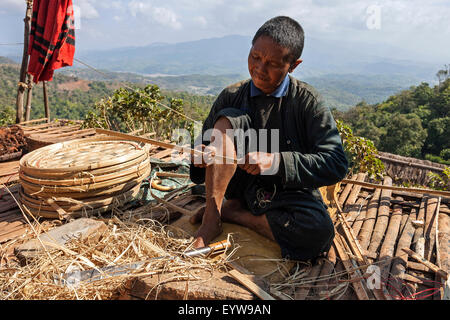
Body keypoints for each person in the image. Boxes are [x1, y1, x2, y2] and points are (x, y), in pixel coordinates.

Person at [189, 16, 348, 262]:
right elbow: (202, 147)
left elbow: (336, 163)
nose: (260, 69)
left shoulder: (307, 102)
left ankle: (235, 214)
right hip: (235, 184)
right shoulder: (231, 95)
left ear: (293, 65)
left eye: (272, 64)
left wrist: (276, 162)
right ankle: (212, 218)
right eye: (255, 57)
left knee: (319, 234)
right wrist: (200, 153)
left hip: (281, 191)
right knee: (227, 120)